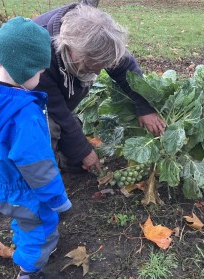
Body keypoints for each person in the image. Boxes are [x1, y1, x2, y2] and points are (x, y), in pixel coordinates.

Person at [0, 17, 71, 279]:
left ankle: (32, 245)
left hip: (2, 183)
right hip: (26, 191)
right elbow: (37, 166)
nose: (40, 76)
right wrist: (57, 198)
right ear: (26, 70)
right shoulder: (25, 114)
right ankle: (29, 278)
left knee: (26, 223)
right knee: (43, 225)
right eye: (39, 70)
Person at [33, 3, 166, 174]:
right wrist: (83, 150)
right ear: (71, 50)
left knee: (76, 164)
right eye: (90, 67)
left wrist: (145, 107)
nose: (97, 72)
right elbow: (57, 111)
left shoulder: (101, 38)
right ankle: (38, 180)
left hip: (60, 100)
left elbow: (126, 68)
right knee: (47, 128)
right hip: (30, 102)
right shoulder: (41, 53)